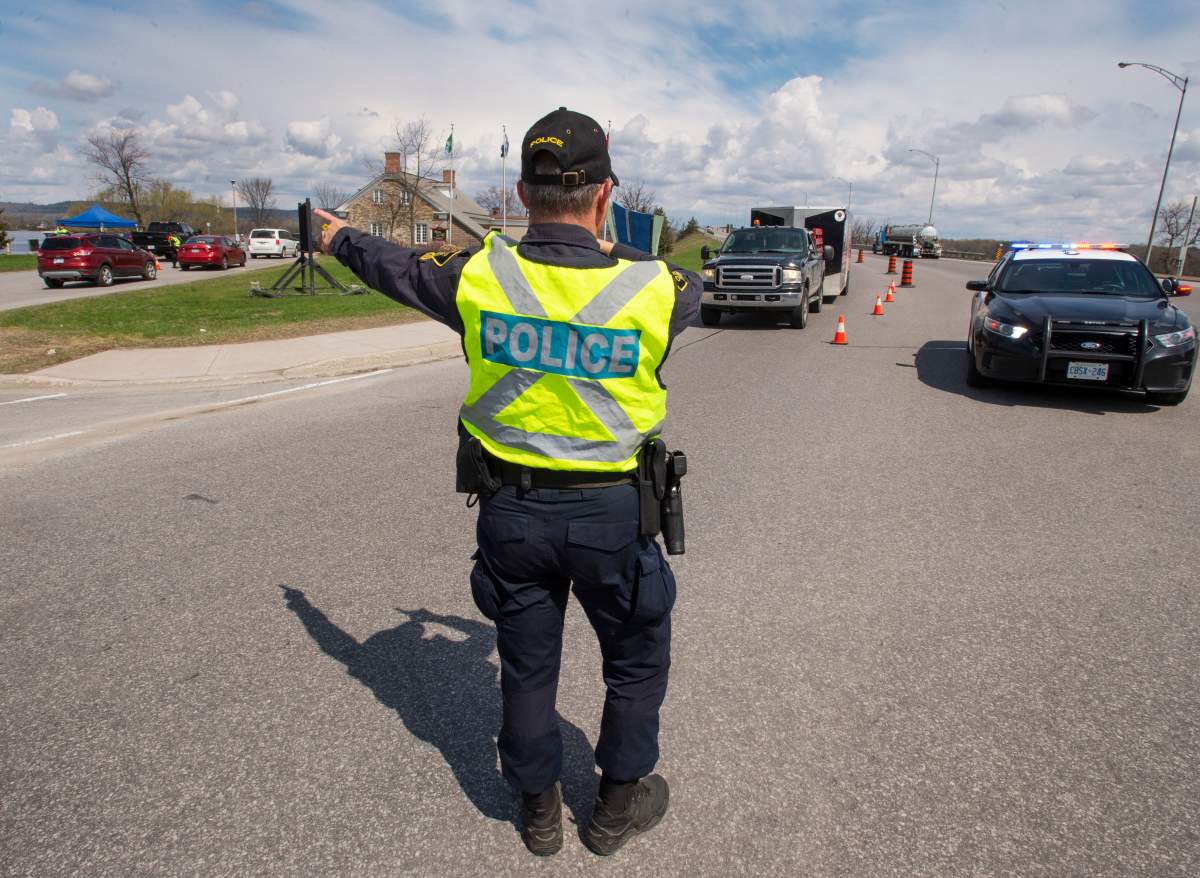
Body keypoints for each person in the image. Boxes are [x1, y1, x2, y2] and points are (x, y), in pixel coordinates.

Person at [314, 107, 701, 858]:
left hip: (512, 514)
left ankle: (539, 813)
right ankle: (617, 808)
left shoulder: (479, 275)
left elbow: (388, 265)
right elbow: (665, 276)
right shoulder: (657, 287)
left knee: (527, 666)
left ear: (522, 195)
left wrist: (333, 233)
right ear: (605, 195)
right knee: (635, 657)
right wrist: (598, 236)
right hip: (612, 517)